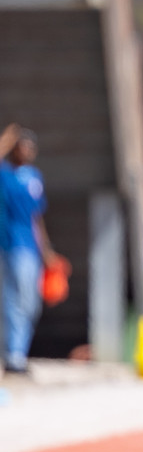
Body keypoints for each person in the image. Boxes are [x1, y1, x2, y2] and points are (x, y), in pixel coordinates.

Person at [0, 126, 55, 374]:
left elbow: (36, 217)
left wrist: (46, 249)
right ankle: (14, 356)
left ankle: (16, 352)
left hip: (29, 248)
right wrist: (6, 139)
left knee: (30, 304)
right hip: (9, 244)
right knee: (13, 301)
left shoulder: (34, 177)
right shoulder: (5, 174)